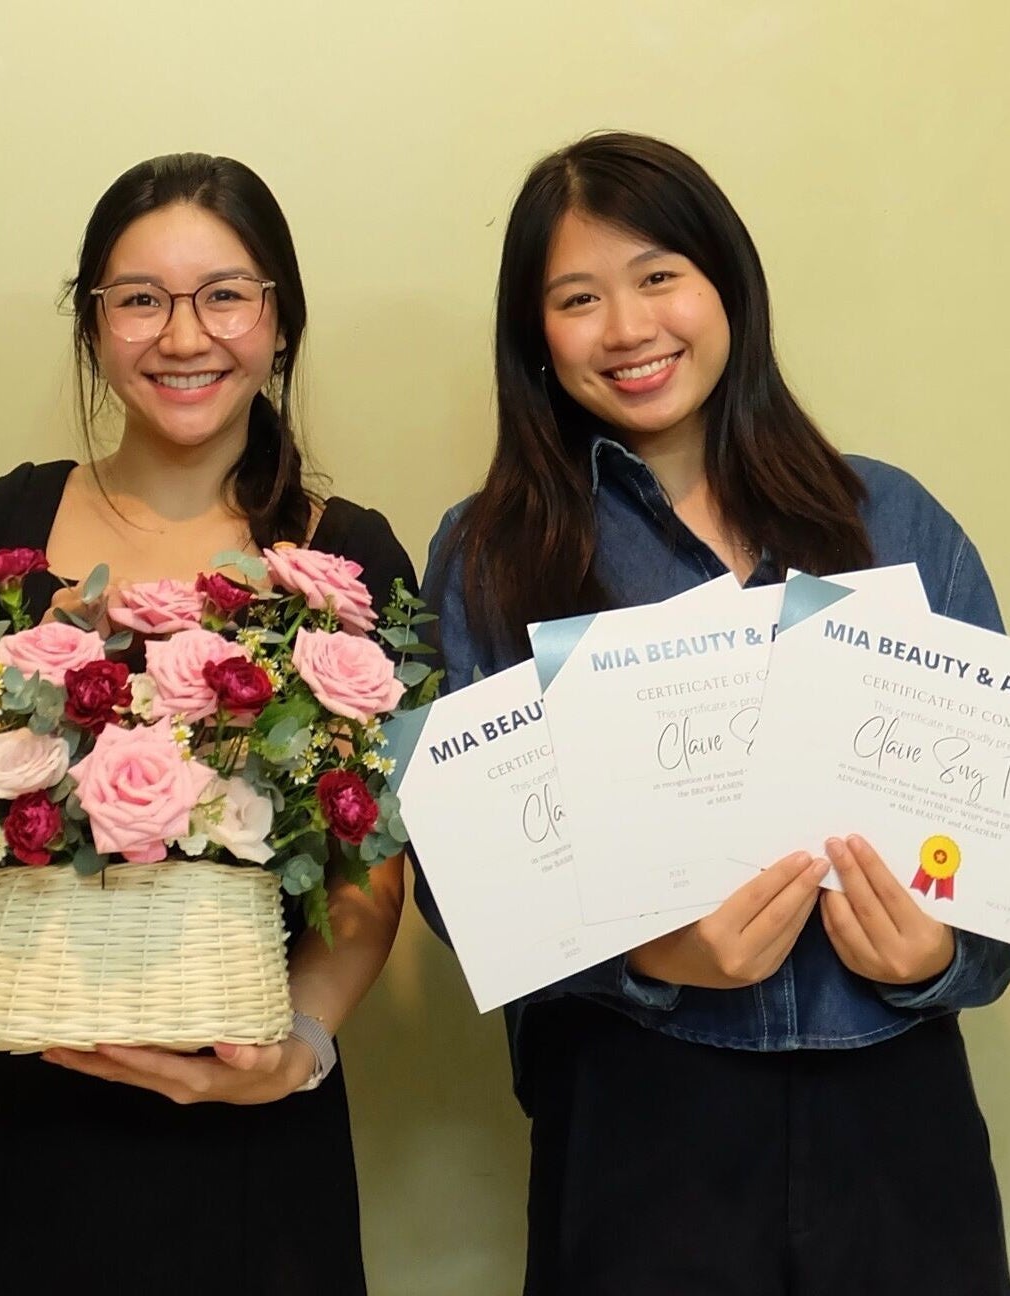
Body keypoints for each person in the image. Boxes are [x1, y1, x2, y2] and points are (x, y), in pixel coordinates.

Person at [424, 131, 1010, 1294]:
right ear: (535, 337)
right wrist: (645, 955)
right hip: (642, 1121)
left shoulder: (895, 518)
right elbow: (463, 879)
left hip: (896, 1117)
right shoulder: (495, 554)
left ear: (726, 284)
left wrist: (944, 954)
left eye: (658, 277)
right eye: (577, 298)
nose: (629, 328)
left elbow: (997, 826)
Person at [0, 153, 413, 1295]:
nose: (182, 335)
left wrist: (299, 1046)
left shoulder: (349, 561)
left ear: (280, 321)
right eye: (139, 299)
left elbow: (376, 858)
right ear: (95, 326)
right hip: (3, 1108)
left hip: (246, 1126)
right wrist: (0, 702)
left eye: (225, 295)